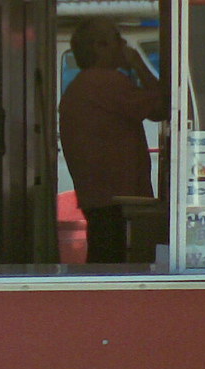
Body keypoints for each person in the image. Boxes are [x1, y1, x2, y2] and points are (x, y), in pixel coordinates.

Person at [59, 17, 166, 263]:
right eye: (118, 39)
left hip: (98, 196)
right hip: (116, 199)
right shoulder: (104, 81)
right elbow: (161, 107)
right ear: (100, 46)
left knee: (102, 255)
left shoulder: (82, 85)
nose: (123, 45)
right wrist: (138, 64)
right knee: (117, 262)